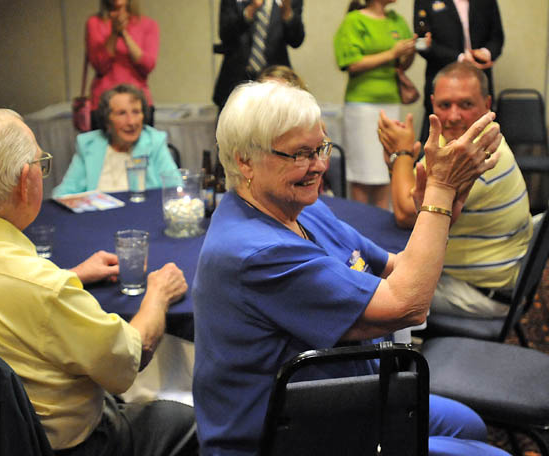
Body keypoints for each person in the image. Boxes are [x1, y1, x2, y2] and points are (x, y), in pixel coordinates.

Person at [193, 80, 510, 455]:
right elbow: (408, 304)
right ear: (245, 159)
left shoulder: (305, 208)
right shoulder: (256, 253)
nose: (320, 166)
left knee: (468, 424)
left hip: (344, 395)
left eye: (321, 148)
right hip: (283, 436)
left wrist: (441, 211)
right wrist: (439, 195)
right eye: (300, 154)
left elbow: (398, 269)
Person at [0, 108, 197, 455]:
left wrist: (72, 275)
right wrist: (158, 293)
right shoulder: (41, 286)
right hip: (57, 448)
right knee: (185, 420)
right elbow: (129, 358)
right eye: (41, 165)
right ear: (24, 180)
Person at [378, 63, 531, 317]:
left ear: (487, 103)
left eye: (466, 105)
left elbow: (407, 214)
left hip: (480, 292)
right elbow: (416, 195)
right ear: (432, 102)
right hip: (472, 277)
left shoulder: (483, 156)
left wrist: (402, 153)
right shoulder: (450, 141)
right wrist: (397, 161)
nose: (453, 116)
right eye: (444, 105)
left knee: (377, 289)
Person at [333, 0, 417, 208]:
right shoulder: (354, 20)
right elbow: (350, 63)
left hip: (390, 101)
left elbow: (402, 64)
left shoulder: (396, 20)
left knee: (384, 171)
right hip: (362, 106)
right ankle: (360, 230)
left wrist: (412, 50)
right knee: (362, 174)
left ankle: (383, 227)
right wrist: (392, 52)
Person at [414, 0, 504, 143]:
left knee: (484, 146)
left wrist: (484, 52)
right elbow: (423, 44)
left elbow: (497, 36)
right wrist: (461, 58)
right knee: (439, 148)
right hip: (442, 83)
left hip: (478, 83)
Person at [212, 0, 304, 109]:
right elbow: (225, 34)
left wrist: (287, 13)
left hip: (275, 86)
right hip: (236, 84)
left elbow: (297, 41)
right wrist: (251, 9)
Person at [52, 84, 178, 197]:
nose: (131, 122)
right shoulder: (89, 145)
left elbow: (176, 187)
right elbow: (64, 193)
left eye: (136, 112)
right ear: (107, 120)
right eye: (122, 113)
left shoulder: (154, 142)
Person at [86, 0, 158, 124]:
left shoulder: (147, 24)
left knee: (143, 150)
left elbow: (147, 66)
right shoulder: (94, 23)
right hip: (104, 104)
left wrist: (124, 34)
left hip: (138, 103)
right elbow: (100, 65)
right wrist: (113, 33)